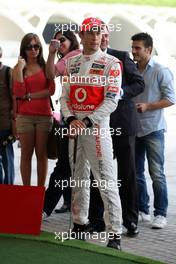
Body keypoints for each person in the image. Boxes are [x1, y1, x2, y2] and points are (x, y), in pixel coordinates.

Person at [60, 17, 123, 250]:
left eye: (99, 33)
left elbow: (112, 101)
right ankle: (79, 224)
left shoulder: (112, 63)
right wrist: (70, 119)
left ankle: (115, 233)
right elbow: (64, 96)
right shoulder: (71, 63)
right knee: (78, 178)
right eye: (91, 32)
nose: (96, 37)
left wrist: (86, 121)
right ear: (82, 35)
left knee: (106, 180)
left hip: (97, 131)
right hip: (75, 130)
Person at [88, 23, 145, 236]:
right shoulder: (87, 61)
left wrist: (119, 92)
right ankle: (97, 220)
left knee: (127, 173)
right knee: (98, 173)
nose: (100, 38)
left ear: (107, 36)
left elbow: (139, 84)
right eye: (96, 34)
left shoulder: (121, 56)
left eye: (103, 34)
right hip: (97, 126)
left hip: (123, 124)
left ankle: (130, 220)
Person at [131, 32, 175, 228]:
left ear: (148, 49)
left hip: (153, 129)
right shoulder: (131, 69)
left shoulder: (160, 70)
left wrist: (148, 106)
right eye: (133, 47)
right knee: (136, 172)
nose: (134, 51)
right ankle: (143, 208)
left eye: (138, 48)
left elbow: (171, 99)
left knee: (156, 173)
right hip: (134, 128)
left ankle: (161, 213)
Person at [43, 29, 80, 217]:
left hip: (86, 117)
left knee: (70, 165)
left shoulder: (79, 55)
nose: (59, 43)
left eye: (62, 40)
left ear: (72, 40)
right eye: (56, 41)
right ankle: (47, 206)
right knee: (65, 163)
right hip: (68, 117)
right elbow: (50, 75)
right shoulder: (63, 60)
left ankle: (46, 207)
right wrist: (50, 52)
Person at [13, 33, 55, 186]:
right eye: (29, 47)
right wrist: (20, 69)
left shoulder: (45, 67)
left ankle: (39, 191)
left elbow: (51, 89)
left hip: (44, 116)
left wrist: (29, 95)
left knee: (41, 154)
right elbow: (18, 93)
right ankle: (26, 191)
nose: (33, 50)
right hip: (24, 117)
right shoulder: (18, 68)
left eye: (36, 46)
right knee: (26, 155)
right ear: (24, 49)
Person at [0, 46, 15, 184]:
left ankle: (9, 190)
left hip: (5, 125)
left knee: (7, 161)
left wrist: (14, 123)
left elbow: (14, 98)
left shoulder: (7, 72)